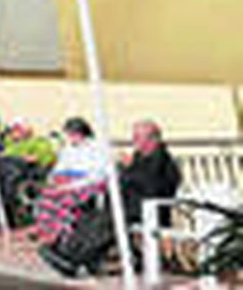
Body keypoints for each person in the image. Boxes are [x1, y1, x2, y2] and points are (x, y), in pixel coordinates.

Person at [39, 119, 182, 279]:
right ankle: (68, 252)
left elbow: (153, 187)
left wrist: (129, 171)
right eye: (134, 137)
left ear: (153, 139)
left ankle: (75, 258)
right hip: (130, 205)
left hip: (148, 210)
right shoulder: (141, 157)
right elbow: (130, 179)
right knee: (90, 216)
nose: (134, 141)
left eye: (138, 137)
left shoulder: (161, 159)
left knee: (106, 221)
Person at [33, 117, 112, 271]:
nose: (71, 138)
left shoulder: (95, 148)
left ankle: (64, 236)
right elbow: (59, 167)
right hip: (68, 181)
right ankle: (53, 235)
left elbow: (97, 174)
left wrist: (70, 184)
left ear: (82, 133)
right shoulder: (69, 148)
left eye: (73, 134)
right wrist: (55, 180)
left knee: (65, 200)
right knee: (47, 198)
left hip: (88, 183)